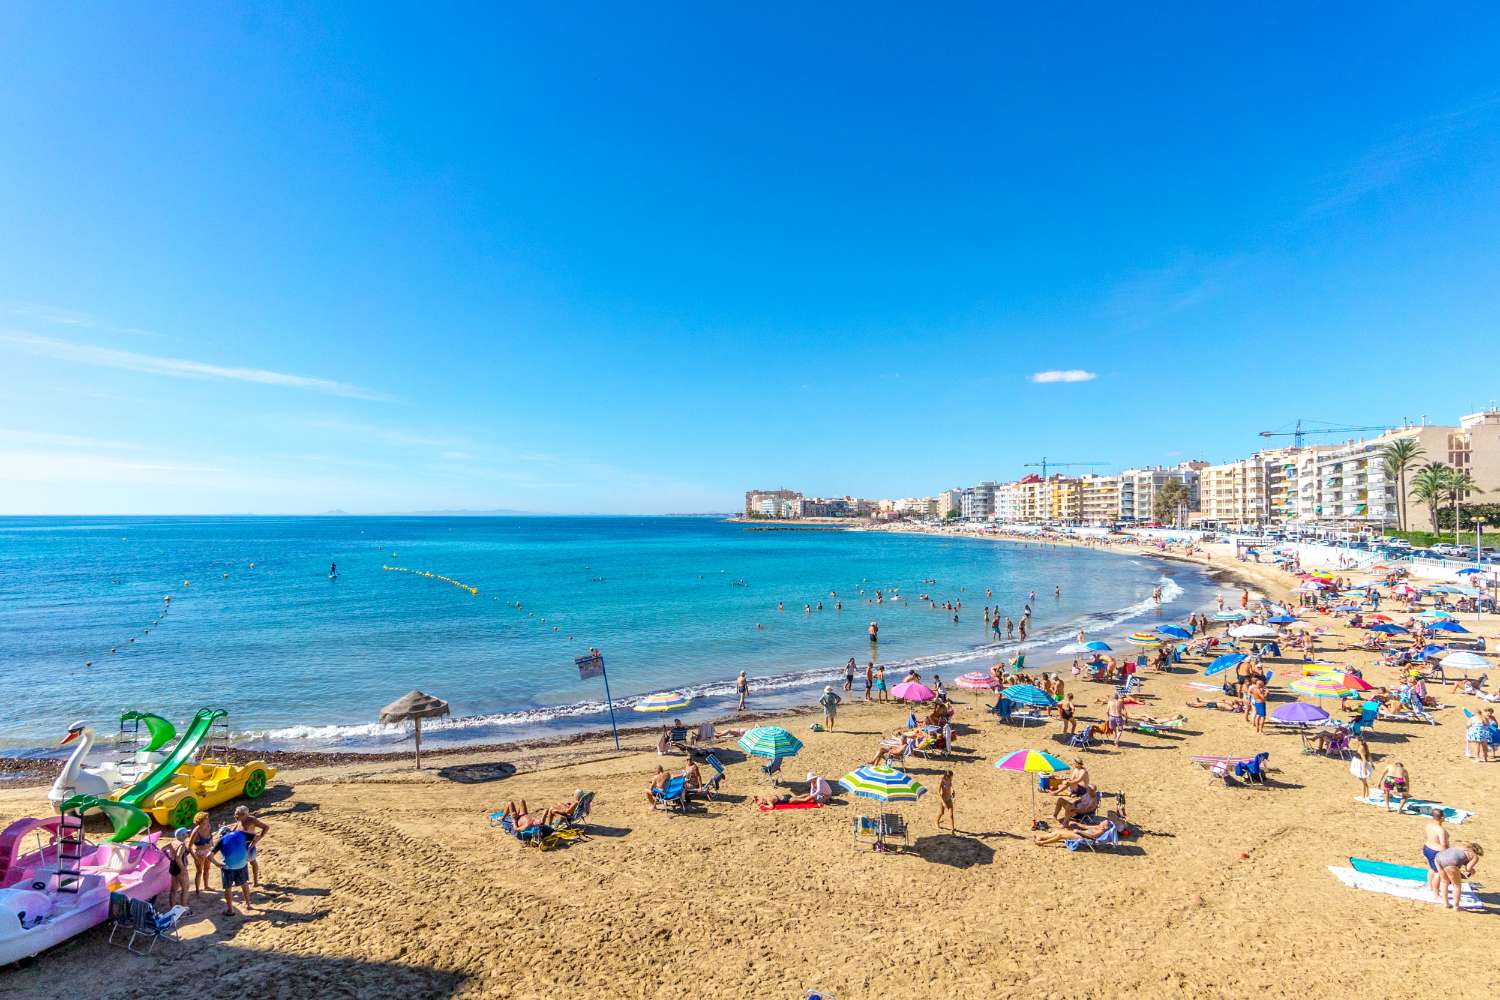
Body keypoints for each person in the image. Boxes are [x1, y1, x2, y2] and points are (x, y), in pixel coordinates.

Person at [207, 824, 253, 916]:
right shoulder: (239, 836)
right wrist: (247, 852)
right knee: (244, 884)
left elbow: (209, 856)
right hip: (242, 865)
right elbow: (255, 837)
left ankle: (230, 910)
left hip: (228, 867)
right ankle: (248, 904)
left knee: (228, 888)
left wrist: (217, 864)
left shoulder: (221, 840)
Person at [1433, 843, 1483, 912]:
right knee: (1457, 885)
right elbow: (1468, 868)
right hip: (1451, 863)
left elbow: (1455, 855)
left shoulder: (1460, 848)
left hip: (1438, 858)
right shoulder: (1474, 856)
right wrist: (1472, 871)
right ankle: (1456, 907)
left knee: (1444, 881)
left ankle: (1446, 903)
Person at [1033, 810, 1126, 846]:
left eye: (1103, 823)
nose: (1101, 822)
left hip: (1083, 838)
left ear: (1105, 827)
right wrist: (1078, 825)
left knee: (1060, 835)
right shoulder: (1098, 827)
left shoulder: (1100, 832)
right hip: (1080, 834)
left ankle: (1042, 842)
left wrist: (1079, 831)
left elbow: (1092, 837)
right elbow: (1086, 826)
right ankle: (1041, 837)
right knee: (1058, 831)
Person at [234, 804, 269, 886]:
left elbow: (266, 827)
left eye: (236, 814)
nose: (235, 815)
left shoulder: (252, 820)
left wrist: (260, 837)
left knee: (253, 862)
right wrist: (231, 833)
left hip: (249, 845)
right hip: (240, 845)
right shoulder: (239, 819)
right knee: (242, 864)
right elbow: (237, 825)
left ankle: (256, 881)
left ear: (244, 815)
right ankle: (244, 881)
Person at [1423, 806, 1451, 899]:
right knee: (1438, 873)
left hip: (1427, 848)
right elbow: (1443, 845)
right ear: (1442, 817)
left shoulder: (1428, 825)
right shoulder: (1440, 830)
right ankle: (1436, 894)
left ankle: (1430, 887)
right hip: (1436, 851)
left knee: (1431, 868)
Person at [164, 828, 191, 909]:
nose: (188, 834)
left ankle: (172, 908)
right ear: (183, 835)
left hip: (173, 866)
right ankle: (184, 909)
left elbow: (163, 849)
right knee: (185, 889)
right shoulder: (181, 845)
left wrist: (169, 857)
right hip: (180, 868)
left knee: (174, 889)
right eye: (186, 833)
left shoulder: (173, 841)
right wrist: (183, 869)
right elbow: (178, 858)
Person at [189, 810, 214, 896]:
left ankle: (206, 886)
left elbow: (211, 837)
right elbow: (189, 847)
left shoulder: (208, 826)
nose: (207, 820)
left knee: (207, 869)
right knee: (199, 871)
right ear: (200, 821)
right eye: (205, 819)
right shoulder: (196, 832)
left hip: (208, 851)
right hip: (199, 853)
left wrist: (212, 847)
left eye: (207, 818)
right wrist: (195, 858)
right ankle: (197, 890)